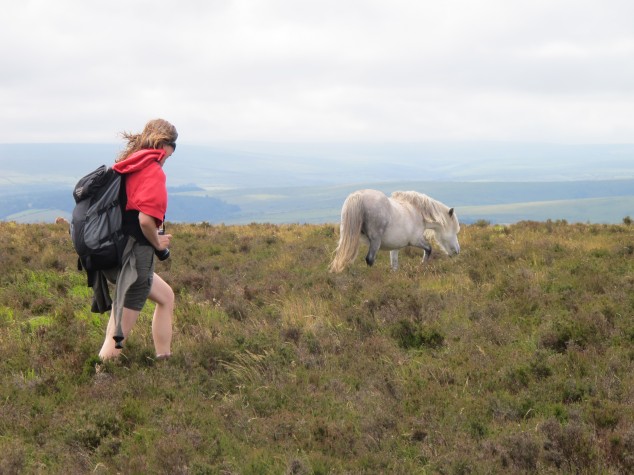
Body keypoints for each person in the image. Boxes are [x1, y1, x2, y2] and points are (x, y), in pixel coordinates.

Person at [98, 118, 177, 360]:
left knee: (166, 297)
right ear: (164, 145)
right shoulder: (152, 171)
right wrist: (158, 243)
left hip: (118, 252)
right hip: (135, 260)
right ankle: (101, 376)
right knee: (118, 336)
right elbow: (145, 220)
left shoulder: (128, 164)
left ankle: (164, 360)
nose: (168, 158)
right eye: (170, 152)